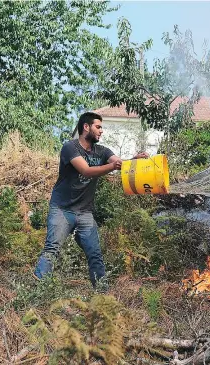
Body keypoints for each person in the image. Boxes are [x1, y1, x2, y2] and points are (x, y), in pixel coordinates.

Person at [33, 112, 148, 288]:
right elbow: (86, 170)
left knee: (94, 253)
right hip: (62, 209)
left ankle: (102, 295)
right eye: (98, 127)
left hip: (85, 212)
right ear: (86, 127)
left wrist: (134, 160)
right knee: (52, 249)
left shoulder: (102, 151)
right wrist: (112, 166)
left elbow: (118, 163)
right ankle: (37, 290)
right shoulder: (70, 148)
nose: (101, 131)